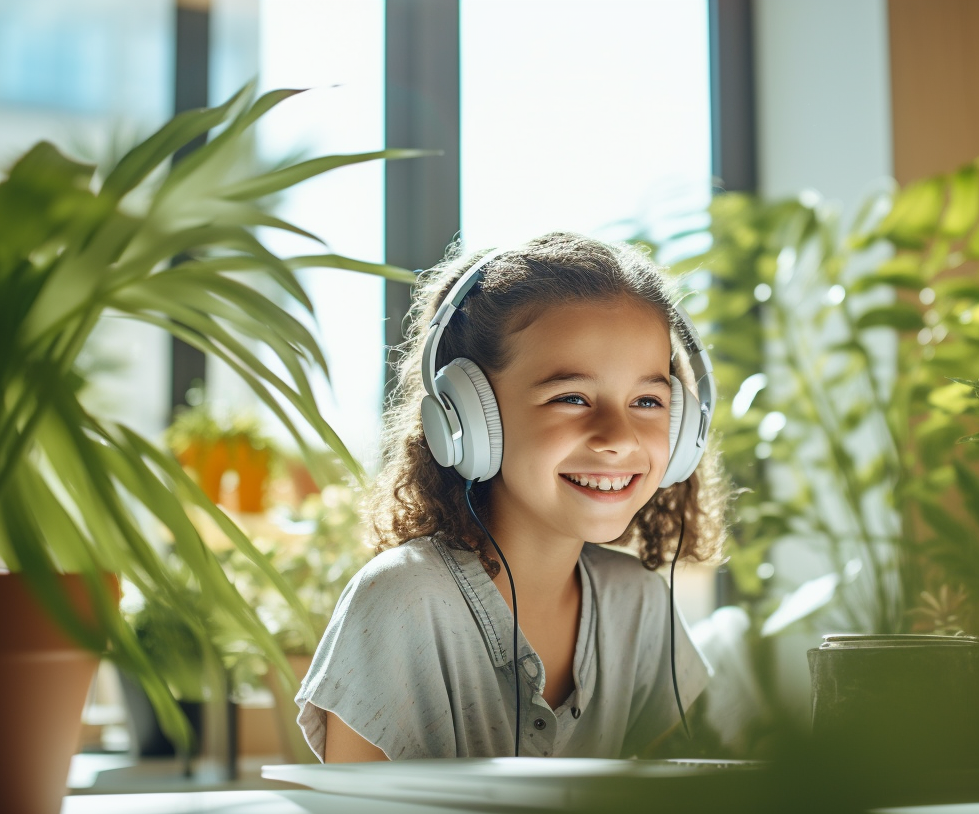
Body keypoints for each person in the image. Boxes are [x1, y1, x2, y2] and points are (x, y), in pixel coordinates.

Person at [295, 232, 727, 761]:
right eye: (571, 397)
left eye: (647, 400)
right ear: (470, 418)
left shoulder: (638, 606)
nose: (617, 438)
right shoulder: (402, 602)